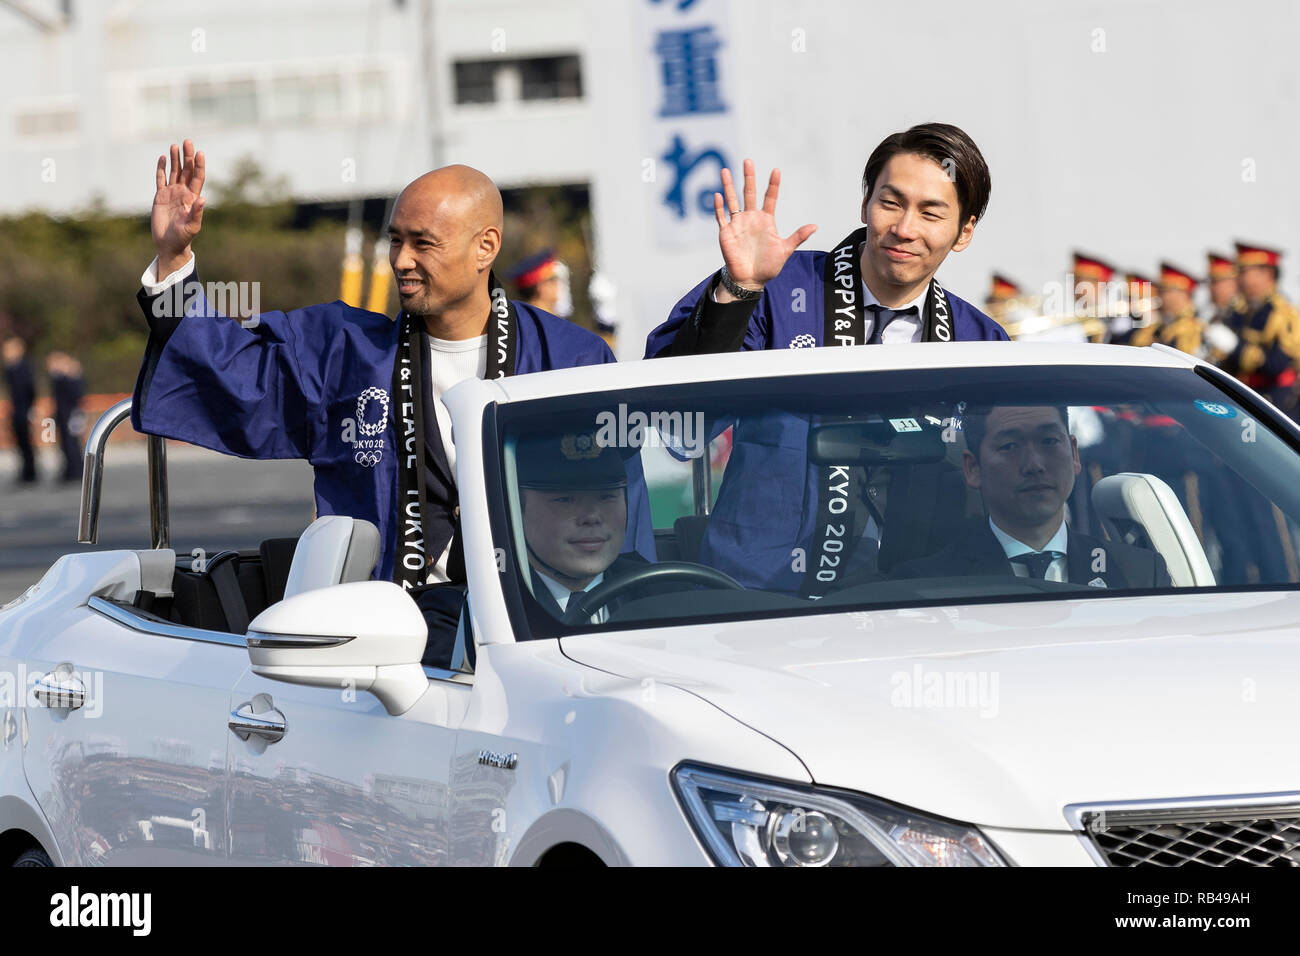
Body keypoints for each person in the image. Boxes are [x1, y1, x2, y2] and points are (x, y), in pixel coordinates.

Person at [133, 140, 653, 589]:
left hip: (532, 622)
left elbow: (619, 502)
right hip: (386, 631)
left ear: (485, 247)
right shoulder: (346, 353)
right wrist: (176, 265)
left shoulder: (570, 358)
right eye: (396, 241)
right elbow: (234, 376)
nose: (401, 260)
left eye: (423, 243)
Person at [645, 122, 1006, 594]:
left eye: (930, 213)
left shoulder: (982, 341)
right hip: (757, 601)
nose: (903, 228)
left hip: (920, 608)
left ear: (964, 231)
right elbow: (678, 426)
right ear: (865, 203)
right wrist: (738, 291)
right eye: (890, 202)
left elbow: (1009, 478)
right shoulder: (777, 288)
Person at [417, 429, 645, 667]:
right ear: (513, 508)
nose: (591, 517)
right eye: (565, 500)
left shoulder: (667, 592)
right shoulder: (465, 614)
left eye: (607, 497)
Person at [893, 405, 1170, 588]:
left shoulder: (1140, 574)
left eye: (1049, 441)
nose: (1034, 464)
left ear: (1074, 454)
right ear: (973, 468)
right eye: (1010, 446)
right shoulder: (924, 586)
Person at [1218, 241, 1300, 418]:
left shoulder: (1284, 314)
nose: (1239, 278)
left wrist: (1235, 347)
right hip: (1242, 400)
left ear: (1267, 274)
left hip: (1275, 404)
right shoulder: (1239, 312)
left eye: (1245, 272)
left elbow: (1275, 365)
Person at [1129, 263, 1205, 356]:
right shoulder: (1160, 326)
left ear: (1182, 294)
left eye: (1165, 291)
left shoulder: (1194, 328)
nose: (1160, 295)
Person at [2, 337, 37, 485]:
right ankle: (25, 471)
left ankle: (31, 472)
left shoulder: (24, 367)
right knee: (20, 443)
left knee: (27, 443)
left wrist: (30, 408)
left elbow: (30, 389)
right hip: (16, 410)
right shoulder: (10, 368)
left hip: (24, 410)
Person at [47, 351, 85, 482]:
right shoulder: (59, 379)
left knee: (72, 444)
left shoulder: (70, 378)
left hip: (71, 415)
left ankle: (76, 470)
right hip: (63, 416)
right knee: (65, 445)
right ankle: (70, 470)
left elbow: (77, 396)